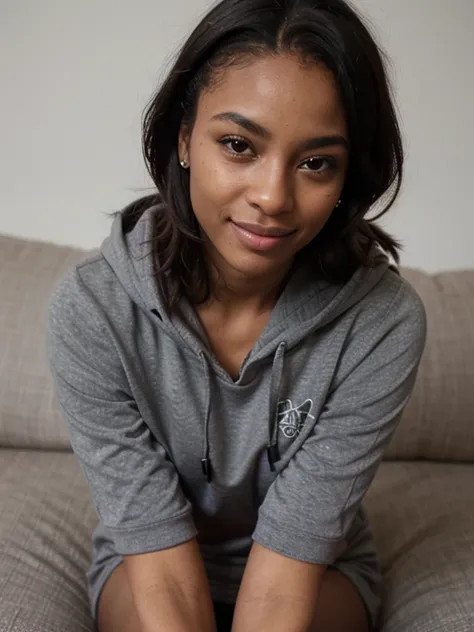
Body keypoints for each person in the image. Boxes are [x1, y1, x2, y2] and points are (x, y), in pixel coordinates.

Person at [46, 0, 427, 630]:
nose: (273, 198)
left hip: (315, 572)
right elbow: (159, 567)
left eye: (315, 162)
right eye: (238, 145)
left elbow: (281, 590)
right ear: (183, 140)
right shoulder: (92, 309)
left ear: (345, 177)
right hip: (150, 563)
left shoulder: (382, 324)